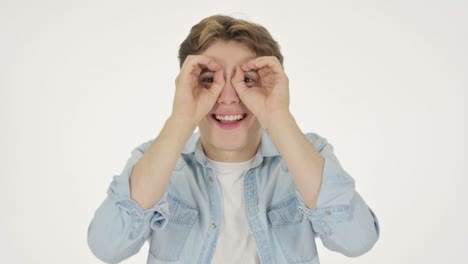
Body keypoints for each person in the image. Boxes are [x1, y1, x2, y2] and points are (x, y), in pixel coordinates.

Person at [87, 15, 380, 264]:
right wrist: (182, 118)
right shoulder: (157, 160)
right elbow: (107, 245)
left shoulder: (306, 153)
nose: (227, 98)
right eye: (208, 80)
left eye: (247, 80)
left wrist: (277, 114)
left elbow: (356, 239)